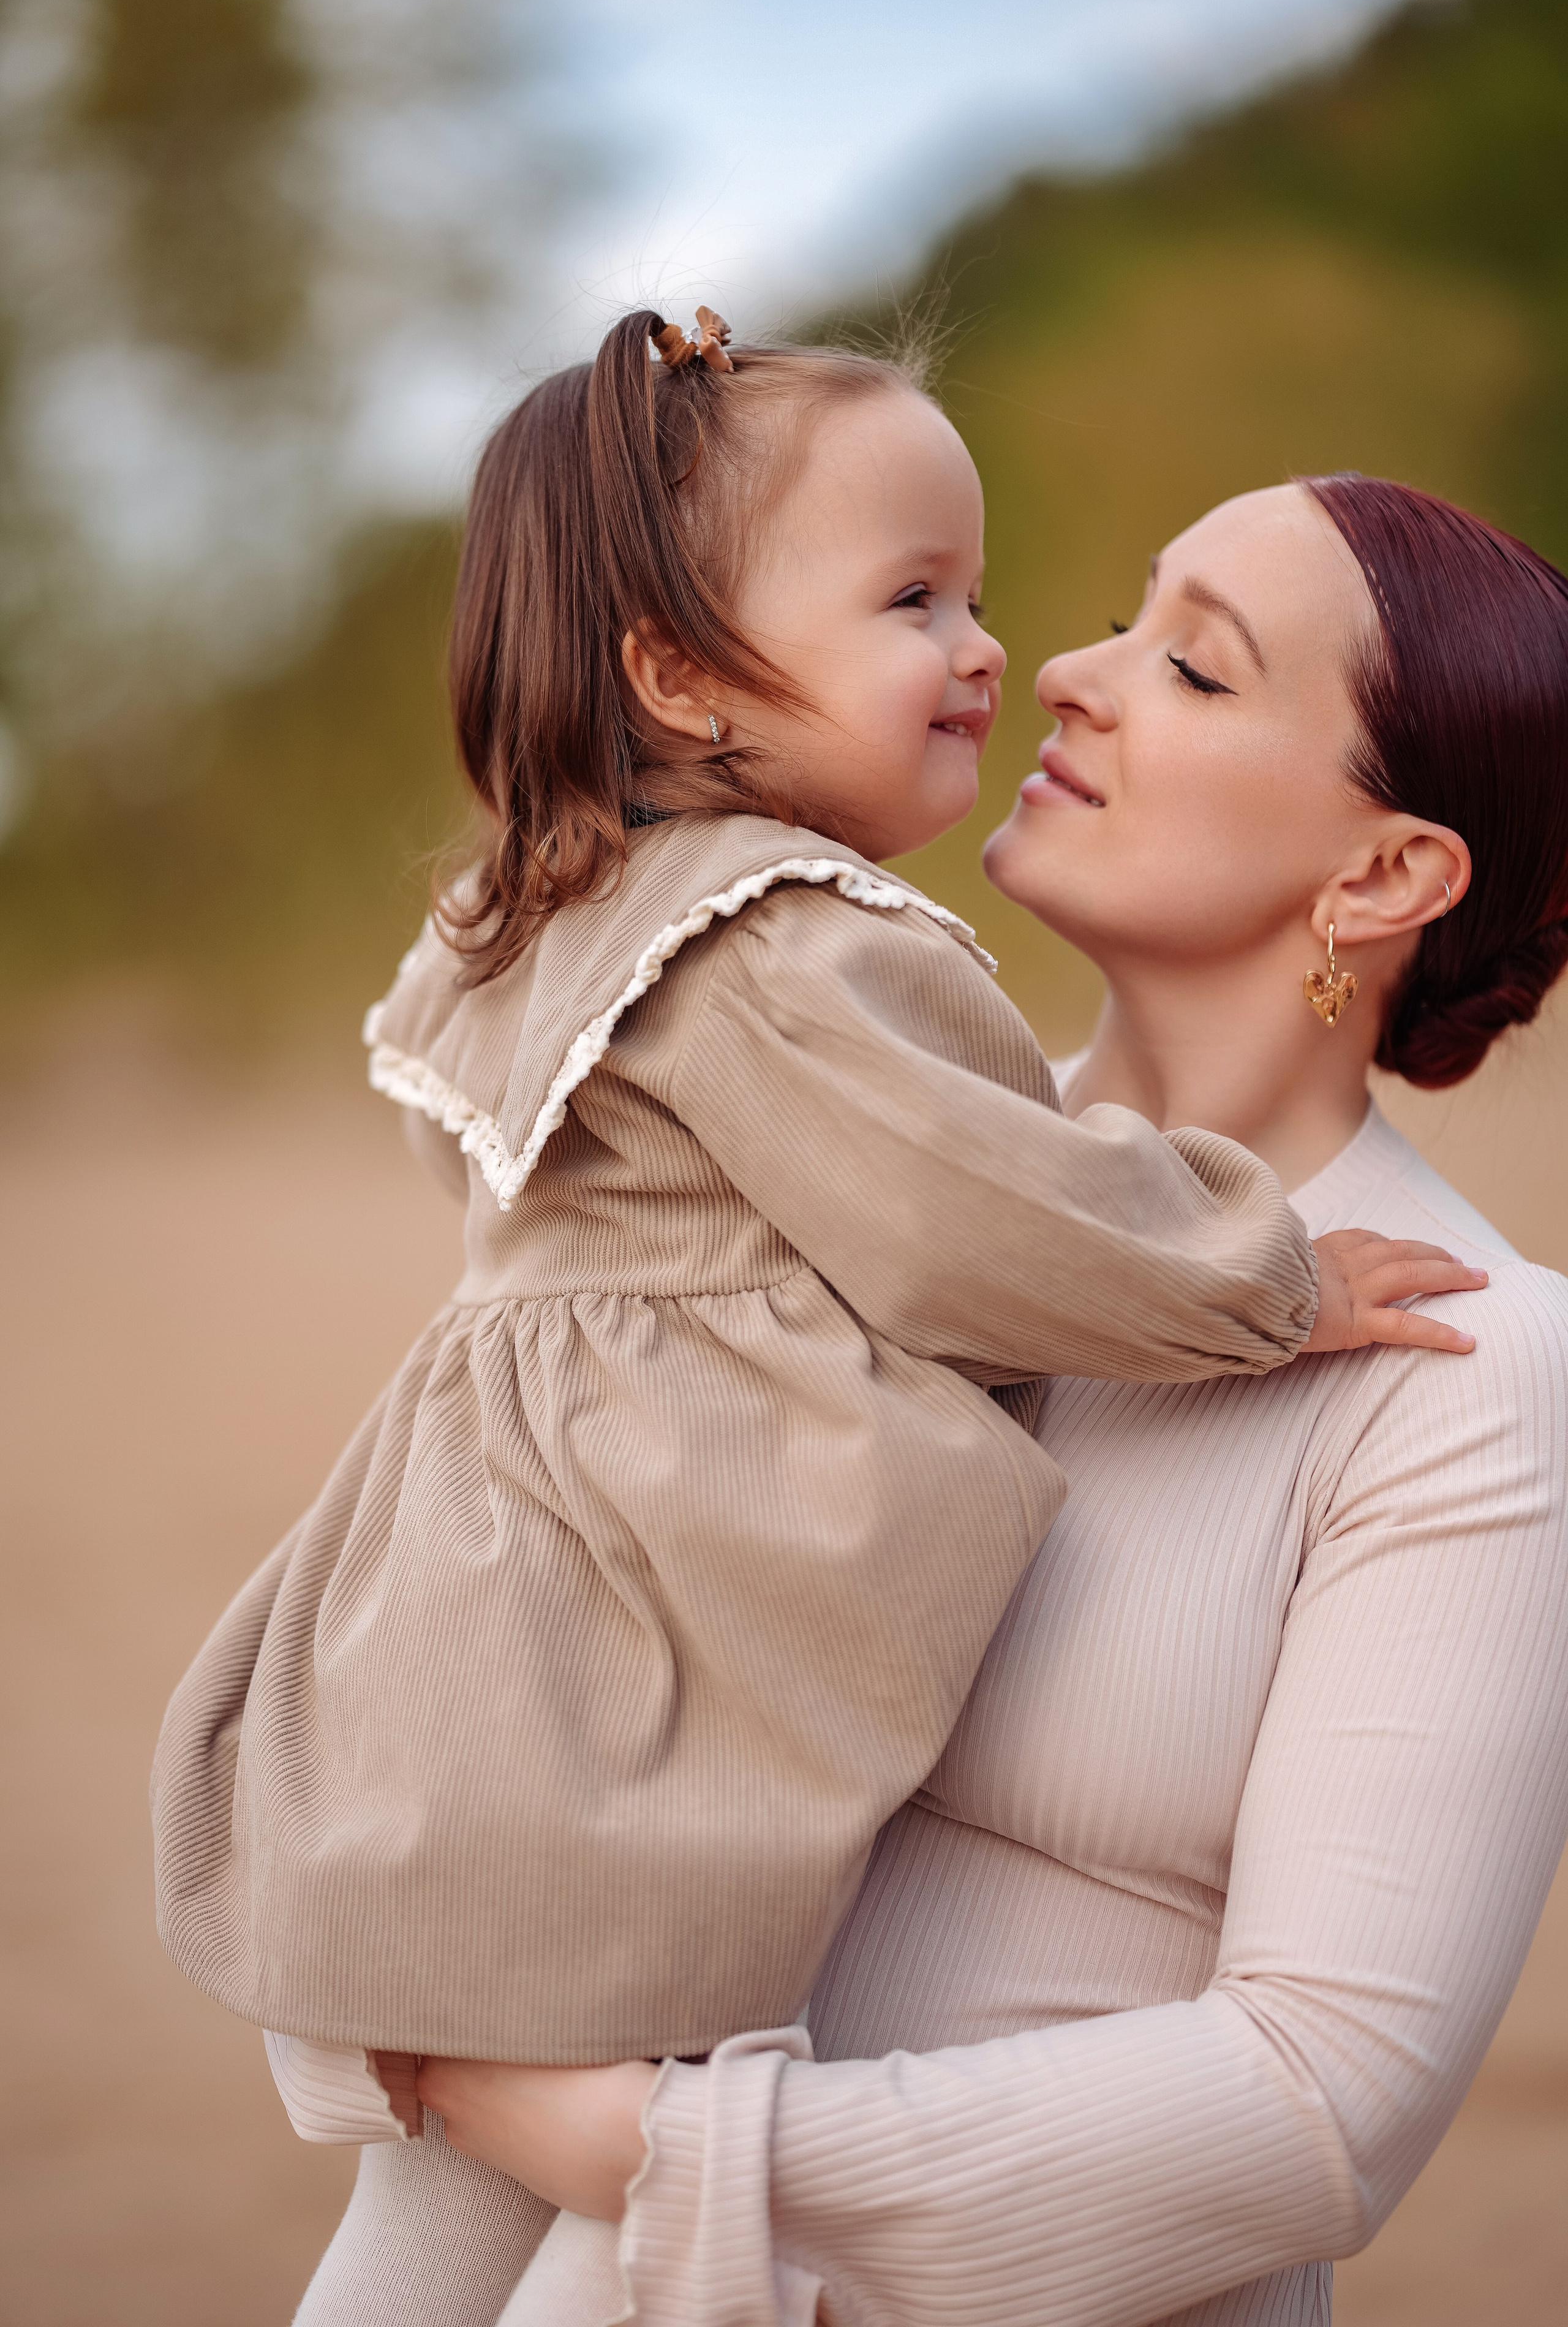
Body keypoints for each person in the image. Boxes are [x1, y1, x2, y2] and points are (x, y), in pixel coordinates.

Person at [150, 314, 1455, 2327]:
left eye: (974, 593)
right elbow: (973, 1212)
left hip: (481, 1620)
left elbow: (492, 1153)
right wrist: (1267, 1274)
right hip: (634, 1684)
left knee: (435, 2217)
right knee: (620, 2143)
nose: (991, 651)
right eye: (914, 600)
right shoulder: (787, 940)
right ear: (678, 676)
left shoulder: (571, 903)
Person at [421, 473, 1568, 2327]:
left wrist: (657, 2153)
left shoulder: (1470, 1367)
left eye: (1197, 669)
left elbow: (1317, 2104)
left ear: (1380, 878)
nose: (1063, 675)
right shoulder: (834, 1181)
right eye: (1126, 617)